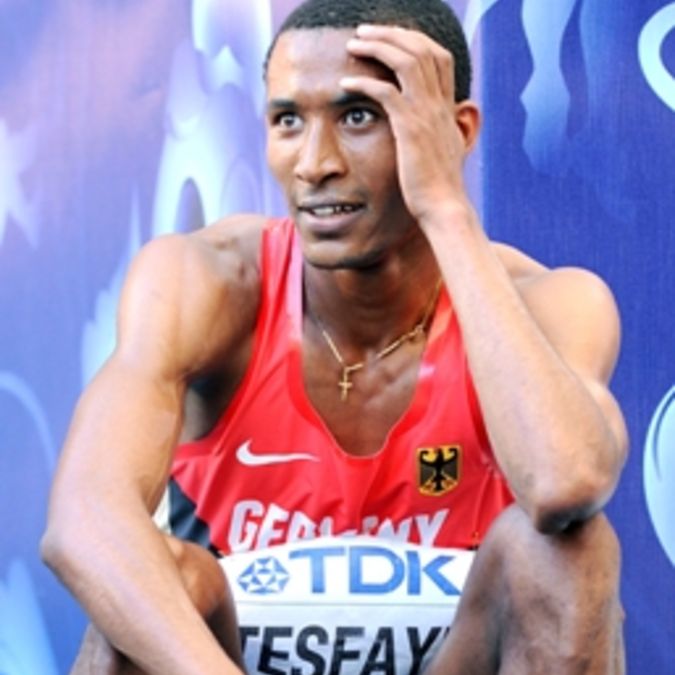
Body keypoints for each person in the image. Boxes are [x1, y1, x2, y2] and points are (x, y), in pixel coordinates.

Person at [41, 0, 629, 673]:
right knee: (150, 585)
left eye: (358, 116)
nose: (314, 163)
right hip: (229, 660)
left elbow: (563, 483)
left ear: (456, 132)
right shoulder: (207, 280)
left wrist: (446, 207)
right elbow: (83, 519)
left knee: (567, 550)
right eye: (288, 120)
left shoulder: (551, 303)